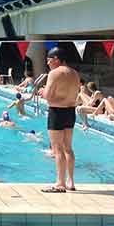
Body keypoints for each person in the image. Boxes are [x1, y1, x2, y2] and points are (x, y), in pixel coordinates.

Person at [43, 47, 81, 192]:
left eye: (49, 60)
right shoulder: (75, 73)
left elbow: (48, 95)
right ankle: (70, 181)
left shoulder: (54, 73)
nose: (48, 63)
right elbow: (73, 94)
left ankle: (60, 183)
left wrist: (43, 92)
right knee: (68, 148)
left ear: (57, 59)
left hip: (57, 112)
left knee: (57, 149)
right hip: (70, 112)